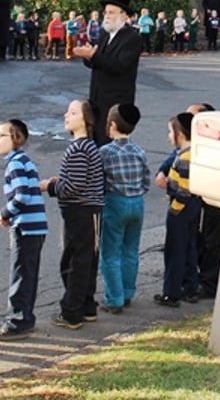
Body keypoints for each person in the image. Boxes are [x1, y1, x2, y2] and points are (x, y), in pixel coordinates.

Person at [42, 100, 104, 328]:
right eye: (68, 111)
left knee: (75, 262)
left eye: (73, 112)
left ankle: (71, 312)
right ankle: (86, 306)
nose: (67, 115)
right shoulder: (87, 147)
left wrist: (48, 186)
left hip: (81, 211)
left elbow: (74, 186)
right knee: (85, 259)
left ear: (86, 120)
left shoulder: (79, 148)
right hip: (85, 211)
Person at [0, 119, 47, 340]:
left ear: (16, 138)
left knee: (20, 273)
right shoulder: (25, 161)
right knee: (28, 273)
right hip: (35, 225)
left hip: (26, 227)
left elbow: (22, 195)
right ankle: (25, 316)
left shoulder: (15, 163)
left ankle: (17, 321)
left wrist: (4, 213)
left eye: (1, 135)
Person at [98, 104, 151, 312]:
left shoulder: (106, 152)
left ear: (112, 124)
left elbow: (100, 180)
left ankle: (114, 298)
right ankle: (128, 292)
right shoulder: (139, 151)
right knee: (131, 250)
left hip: (116, 202)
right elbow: (146, 181)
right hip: (137, 202)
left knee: (110, 253)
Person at [73, 0, 141, 148]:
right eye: (105, 13)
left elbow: (119, 66)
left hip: (115, 102)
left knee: (110, 145)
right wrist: (88, 55)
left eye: (111, 13)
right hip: (96, 98)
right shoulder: (104, 33)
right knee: (93, 142)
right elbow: (96, 62)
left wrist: (94, 55)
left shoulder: (132, 38)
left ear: (124, 16)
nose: (107, 16)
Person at [155, 113, 200, 306]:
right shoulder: (195, 152)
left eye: (170, 132)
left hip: (181, 208)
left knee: (175, 250)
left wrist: (174, 207)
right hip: (194, 206)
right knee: (189, 246)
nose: (168, 136)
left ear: (180, 134)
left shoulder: (184, 157)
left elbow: (184, 189)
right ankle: (190, 287)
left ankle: (171, 293)